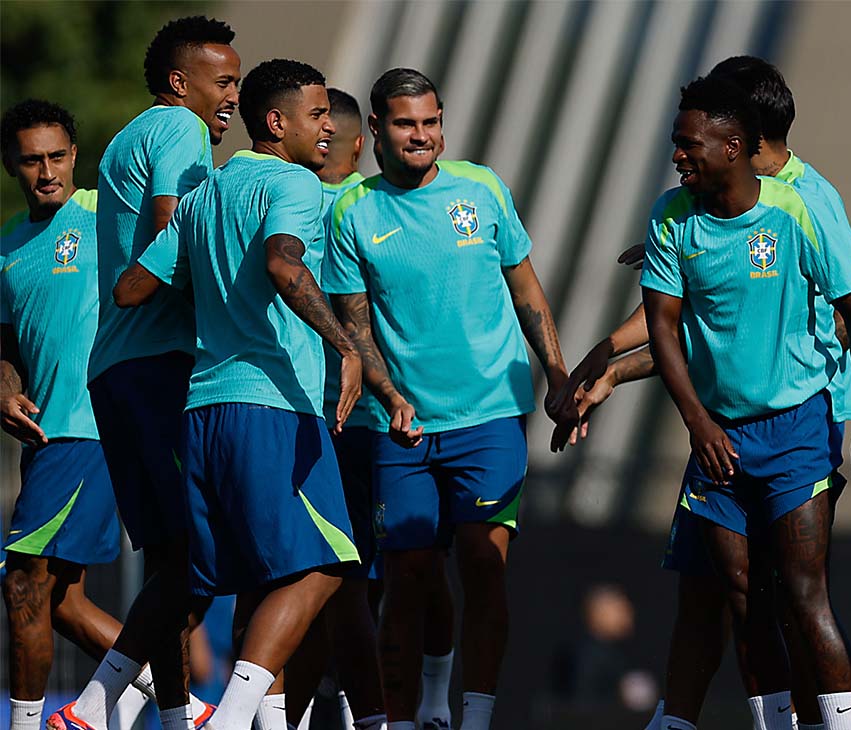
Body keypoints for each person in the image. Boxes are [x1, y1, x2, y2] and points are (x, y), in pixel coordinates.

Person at [554, 56, 851, 730]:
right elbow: (679, 324)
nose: (676, 154)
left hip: (801, 421)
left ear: (740, 139)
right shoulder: (677, 214)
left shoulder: (802, 203)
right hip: (721, 430)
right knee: (728, 594)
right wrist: (608, 367)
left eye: (687, 141)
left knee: (797, 594)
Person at [111, 58, 364, 730]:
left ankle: (137, 703)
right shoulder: (295, 183)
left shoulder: (205, 195)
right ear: (277, 122)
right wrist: (346, 347)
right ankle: (230, 718)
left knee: (254, 579)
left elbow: (130, 289)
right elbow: (284, 263)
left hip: (203, 412)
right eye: (317, 114)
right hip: (271, 406)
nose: (329, 127)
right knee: (325, 567)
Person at [324, 67, 568, 730]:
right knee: (408, 573)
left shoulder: (482, 188)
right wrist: (388, 395)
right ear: (376, 129)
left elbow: (526, 288)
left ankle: (474, 716)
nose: (422, 135)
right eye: (406, 123)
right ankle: (407, 717)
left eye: (431, 121)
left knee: (483, 565)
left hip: (490, 414)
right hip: (401, 426)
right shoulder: (353, 210)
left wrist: (557, 373)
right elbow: (355, 327)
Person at [47, 17, 240, 730]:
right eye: (223, 81)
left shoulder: (128, 136)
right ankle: (95, 706)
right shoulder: (180, 129)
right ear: (179, 83)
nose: (233, 96)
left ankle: (172, 715)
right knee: (204, 552)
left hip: (116, 369)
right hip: (159, 367)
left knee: (169, 564)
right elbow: (173, 229)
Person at [0, 98, 154, 730]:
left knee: (23, 582)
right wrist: (4, 386)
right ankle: (170, 688)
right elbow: (7, 346)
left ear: (75, 156)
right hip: (43, 439)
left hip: (89, 427)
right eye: (31, 160)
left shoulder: (103, 213)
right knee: (61, 600)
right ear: (10, 164)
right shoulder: (9, 243)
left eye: (57, 156)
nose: (46, 172)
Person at [282, 86, 388, 730]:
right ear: (360, 145)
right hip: (361, 422)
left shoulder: (277, 199)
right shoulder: (371, 206)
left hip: (286, 417)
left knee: (286, 583)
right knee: (351, 583)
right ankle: (367, 714)